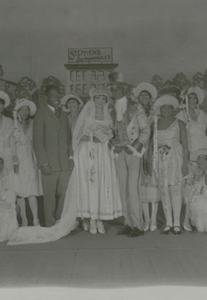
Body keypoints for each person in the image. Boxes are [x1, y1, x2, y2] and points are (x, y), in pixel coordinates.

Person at [72, 88, 123, 235]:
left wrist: (108, 137)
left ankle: (100, 218)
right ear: (93, 100)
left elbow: (113, 135)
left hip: (104, 153)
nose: (100, 101)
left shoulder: (109, 116)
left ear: (106, 100)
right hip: (89, 152)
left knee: (103, 183)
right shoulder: (87, 115)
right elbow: (78, 136)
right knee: (91, 184)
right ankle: (91, 219)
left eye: (103, 98)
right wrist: (93, 138)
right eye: (98, 98)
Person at [109, 72, 150, 237]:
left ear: (124, 89)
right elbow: (107, 132)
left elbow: (146, 129)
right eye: (113, 89)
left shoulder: (136, 106)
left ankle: (138, 225)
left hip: (133, 152)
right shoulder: (110, 109)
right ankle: (128, 222)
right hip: (119, 152)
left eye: (119, 88)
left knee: (133, 188)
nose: (116, 91)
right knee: (122, 188)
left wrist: (134, 146)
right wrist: (114, 145)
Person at [32, 85, 73, 227]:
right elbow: (37, 141)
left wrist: (70, 157)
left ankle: (60, 221)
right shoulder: (41, 114)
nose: (57, 98)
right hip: (49, 163)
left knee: (65, 194)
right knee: (49, 196)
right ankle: (50, 223)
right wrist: (43, 163)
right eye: (53, 96)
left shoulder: (64, 115)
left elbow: (68, 139)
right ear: (47, 98)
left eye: (59, 96)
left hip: (64, 164)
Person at [153, 94, 189, 235]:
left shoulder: (179, 123)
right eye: (164, 108)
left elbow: (185, 145)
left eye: (169, 107)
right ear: (160, 109)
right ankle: (168, 222)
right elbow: (152, 144)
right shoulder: (155, 123)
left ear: (173, 109)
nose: (166, 110)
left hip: (175, 158)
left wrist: (185, 164)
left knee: (175, 189)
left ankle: (176, 223)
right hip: (160, 159)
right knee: (164, 190)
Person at [11, 99, 42, 227]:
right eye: (22, 110)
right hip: (18, 158)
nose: (24, 112)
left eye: (26, 110)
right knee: (19, 191)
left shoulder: (34, 124)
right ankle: (23, 219)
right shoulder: (14, 125)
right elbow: (11, 144)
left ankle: (35, 219)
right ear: (18, 111)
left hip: (31, 158)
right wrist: (14, 161)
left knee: (31, 191)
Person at [134, 82, 159, 232]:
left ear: (150, 98)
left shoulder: (156, 111)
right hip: (139, 148)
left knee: (154, 184)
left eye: (146, 95)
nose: (143, 97)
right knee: (141, 184)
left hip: (154, 149)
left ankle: (154, 219)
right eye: (141, 95)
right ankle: (146, 219)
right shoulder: (135, 111)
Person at [178, 86, 207, 155]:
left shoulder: (201, 113)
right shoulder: (181, 115)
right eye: (190, 98)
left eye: (194, 98)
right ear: (185, 99)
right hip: (190, 149)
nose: (192, 100)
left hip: (204, 147)